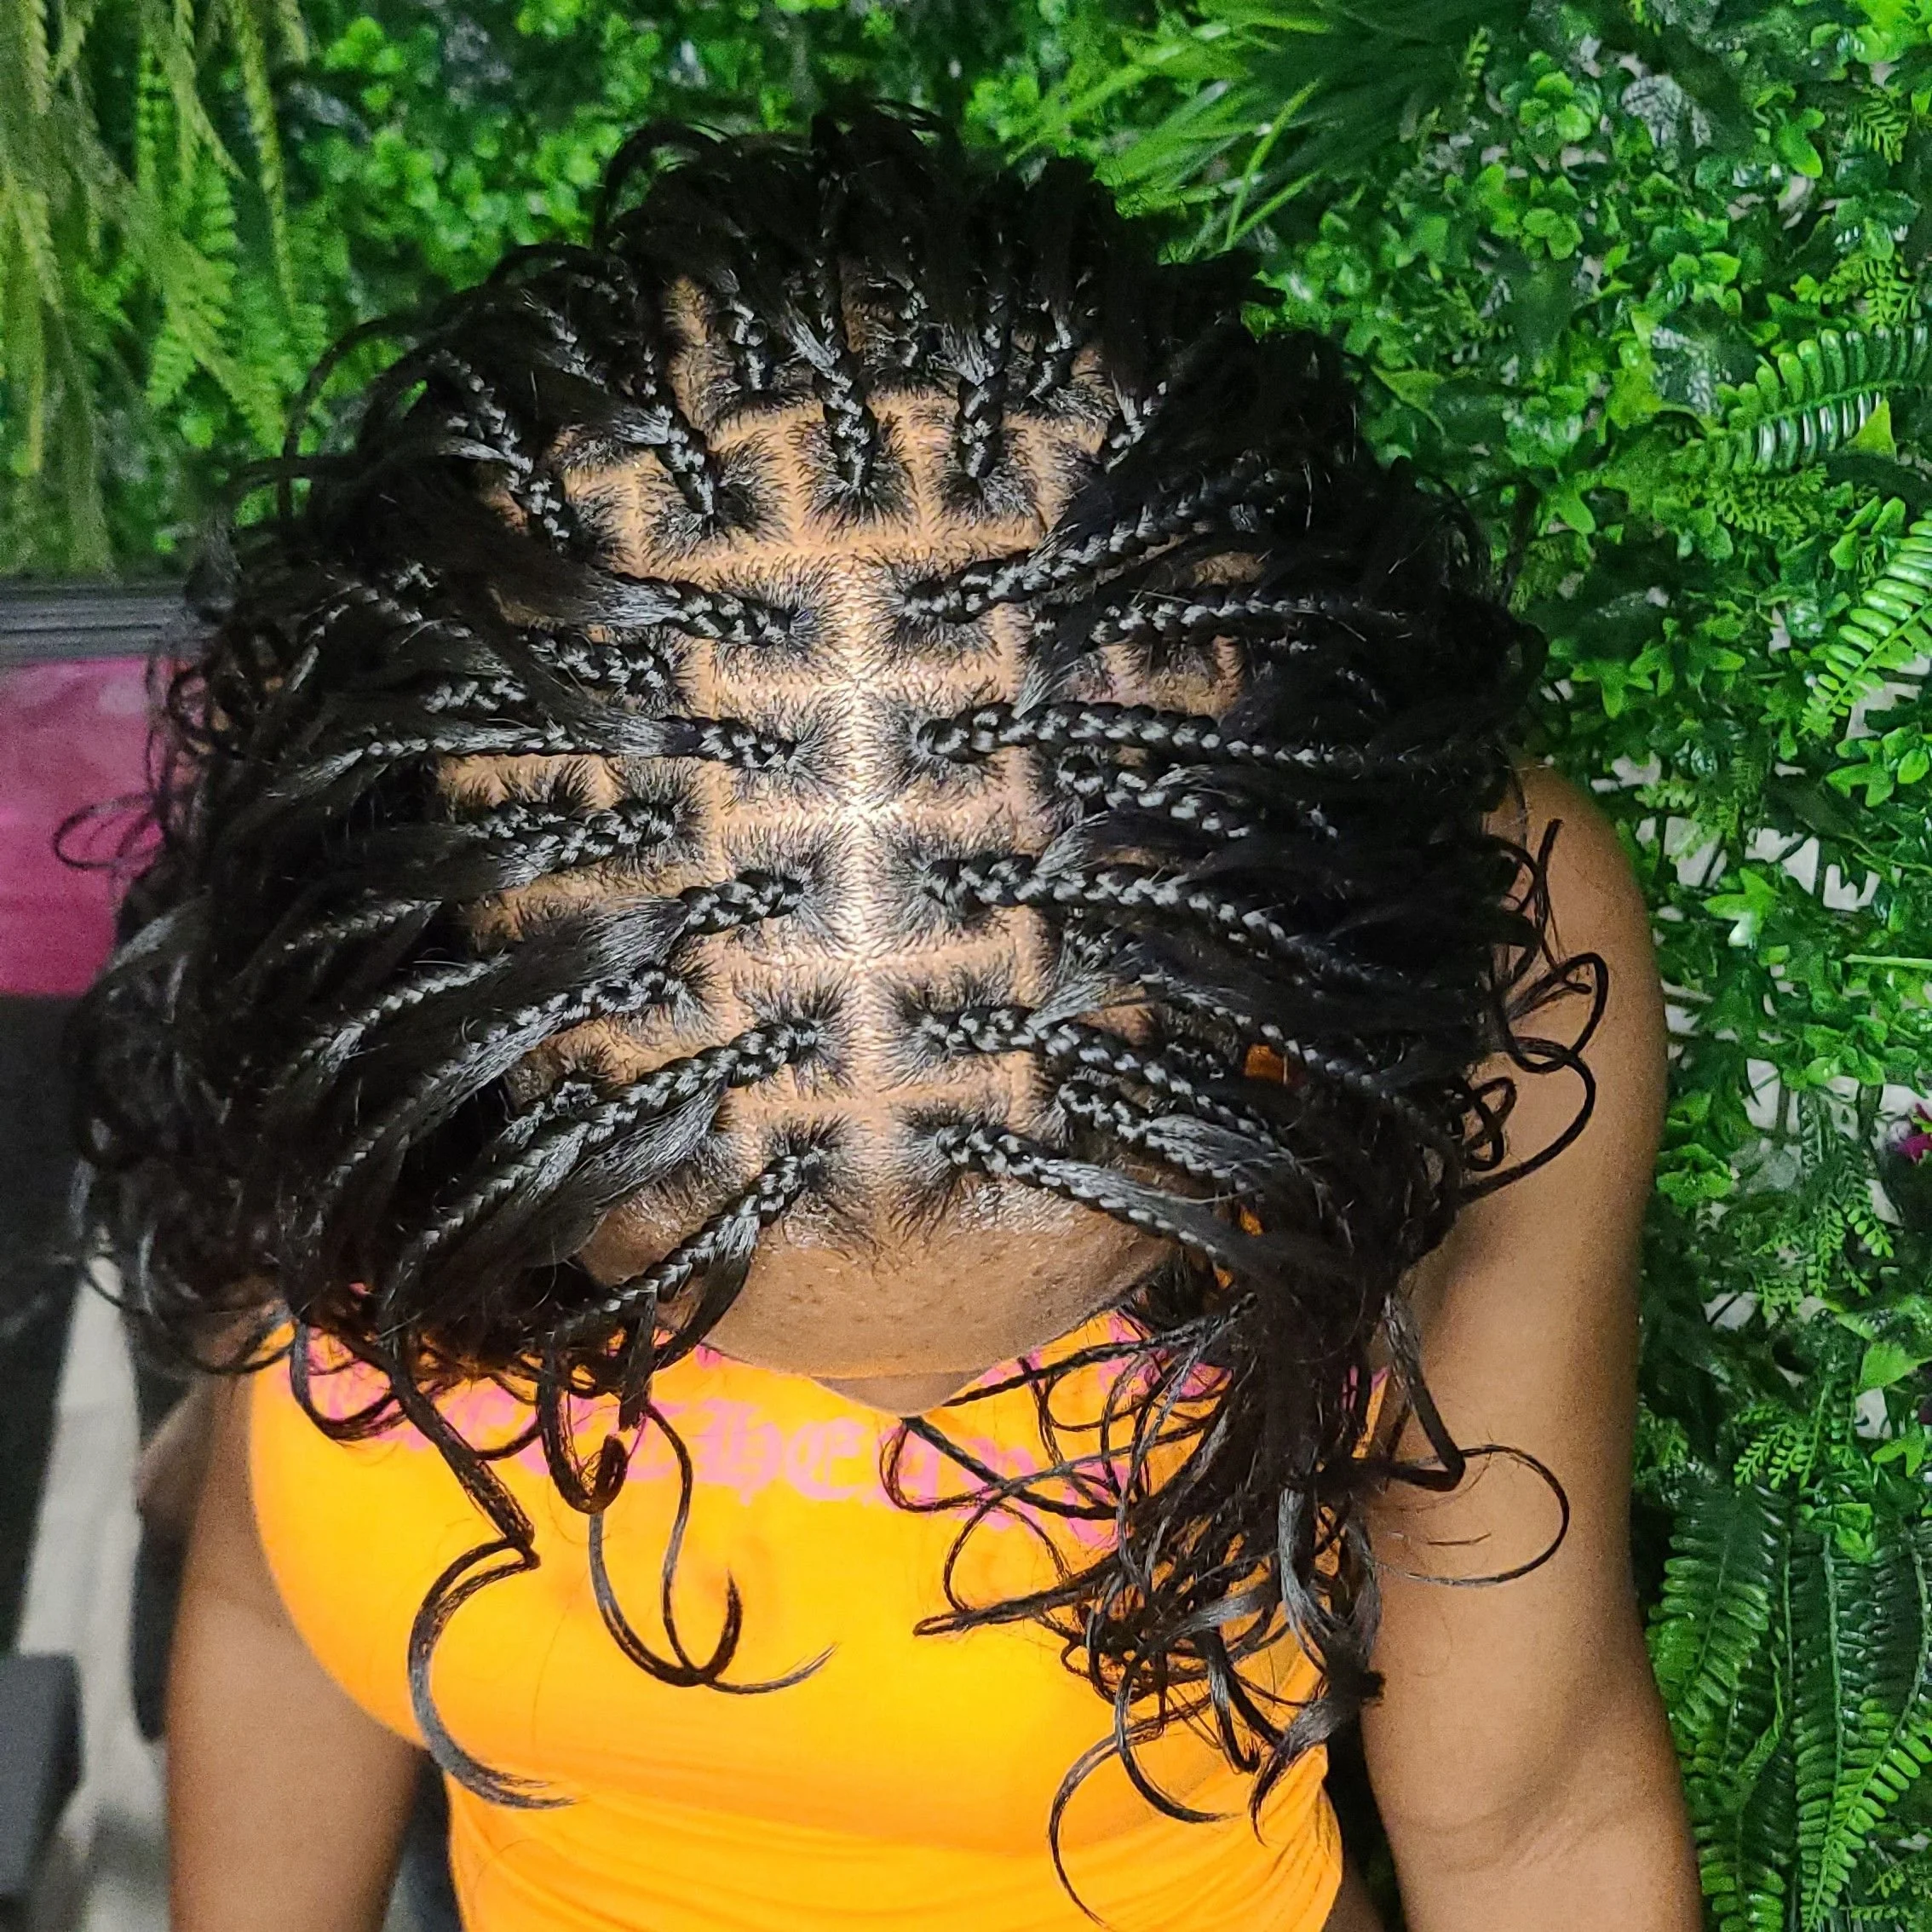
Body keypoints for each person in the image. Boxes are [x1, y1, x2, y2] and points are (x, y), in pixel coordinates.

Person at [68, 107, 1702, 1932]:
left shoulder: (1462, 961)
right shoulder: (391, 925)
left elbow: (1535, 1825)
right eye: (674, 1297)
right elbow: (264, 1600)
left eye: (1124, 1293)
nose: (916, 1411)